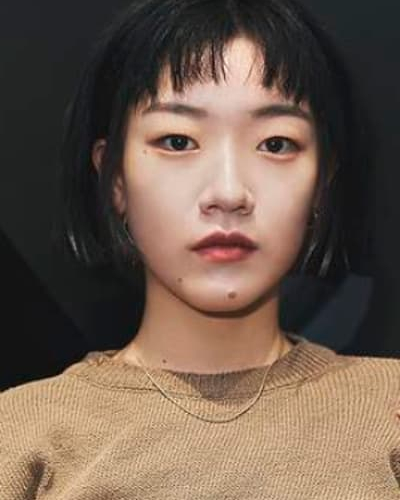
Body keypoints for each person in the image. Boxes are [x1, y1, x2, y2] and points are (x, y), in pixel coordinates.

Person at [1, 0, 400, 498]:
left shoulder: (387, 408)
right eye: (177, 141)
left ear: (322, 182)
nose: (228, 193)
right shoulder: (18, 435)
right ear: (115, 178)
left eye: (276, 144)